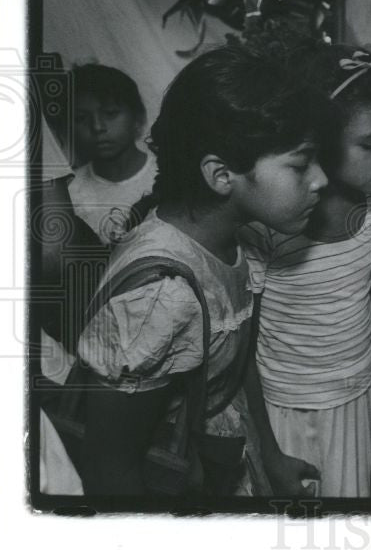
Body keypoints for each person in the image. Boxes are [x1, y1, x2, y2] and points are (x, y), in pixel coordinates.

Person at [72, 45, 327, 496]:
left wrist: (270, 455)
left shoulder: (235, 238)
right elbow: (111, 468)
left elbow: (235, 363)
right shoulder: (159, 298)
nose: (321, 180)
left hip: (224, 452)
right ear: (221, 175)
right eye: (301, 164)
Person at [240, 42, 371, 498]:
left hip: (357, 397)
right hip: (287, 410)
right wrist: (269, 451)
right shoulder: (269, 225)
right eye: (370, 143)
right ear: (320, 143)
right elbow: (240, 344)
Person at [67, 64, 159, 245]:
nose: (97, 127)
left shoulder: (168, 175)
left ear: (137, 117)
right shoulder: (69, 193)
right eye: (81, 118)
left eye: (110, 113)